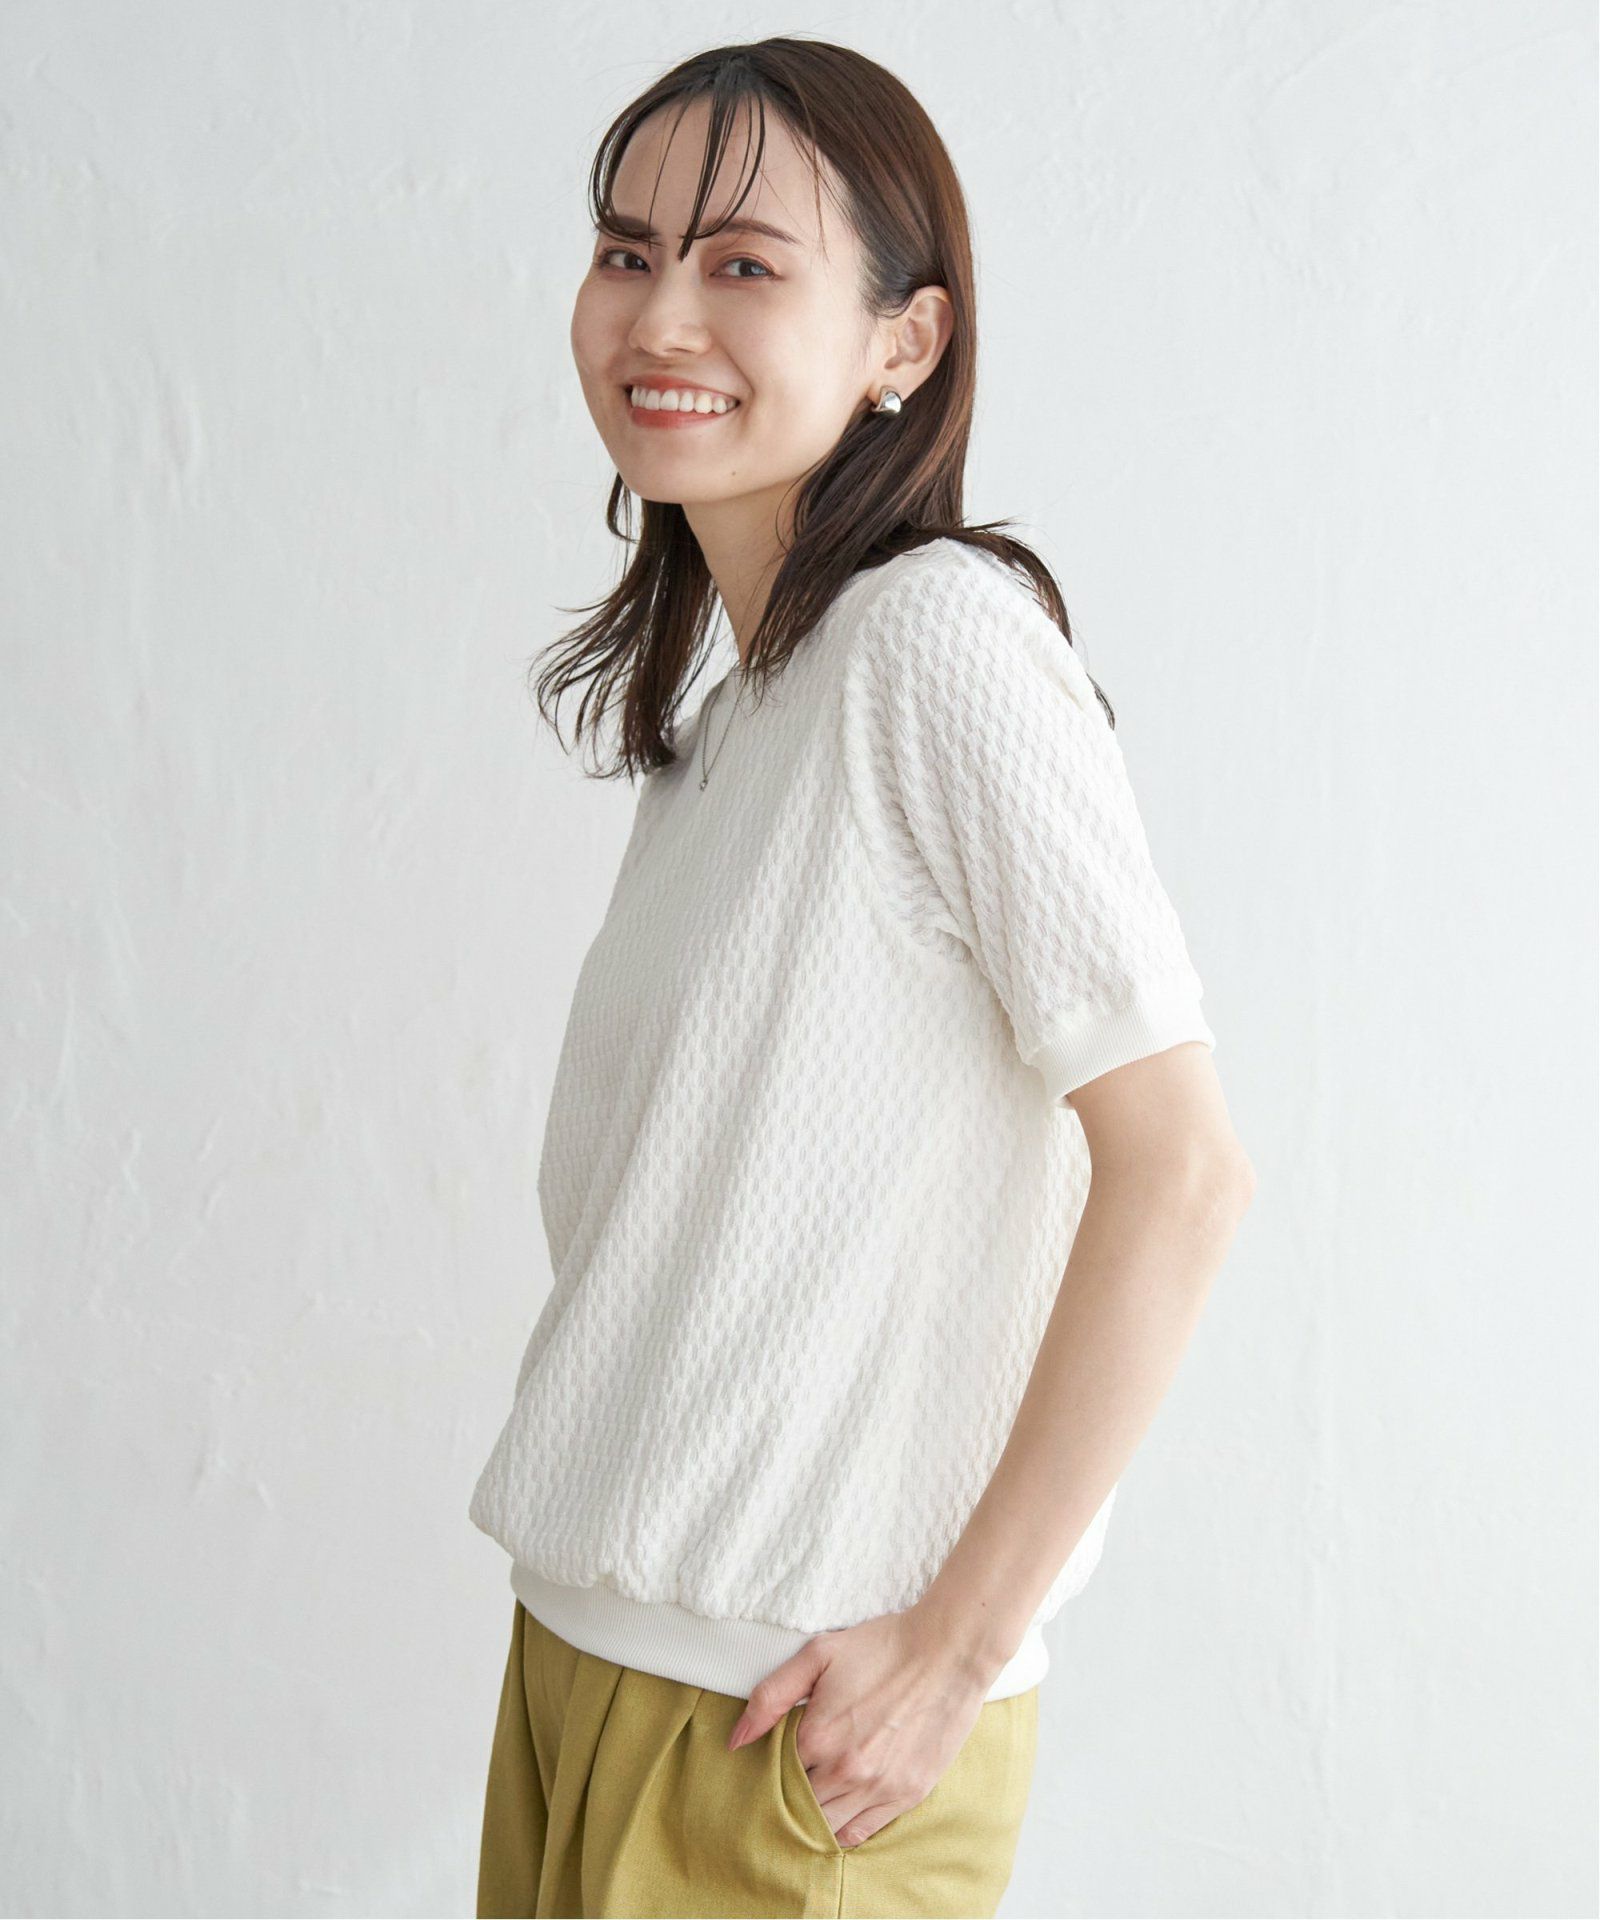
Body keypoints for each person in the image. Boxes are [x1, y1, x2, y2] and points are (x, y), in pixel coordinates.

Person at [470, 35, 1255, 1920]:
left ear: (905, 342)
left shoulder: (938, 645)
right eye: (626, 248)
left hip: (789, 1729)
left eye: (743, 262)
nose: (660, 314)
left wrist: (956, 1650)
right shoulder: (745, 713)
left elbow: (1183, 1169)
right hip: (590, 1658)